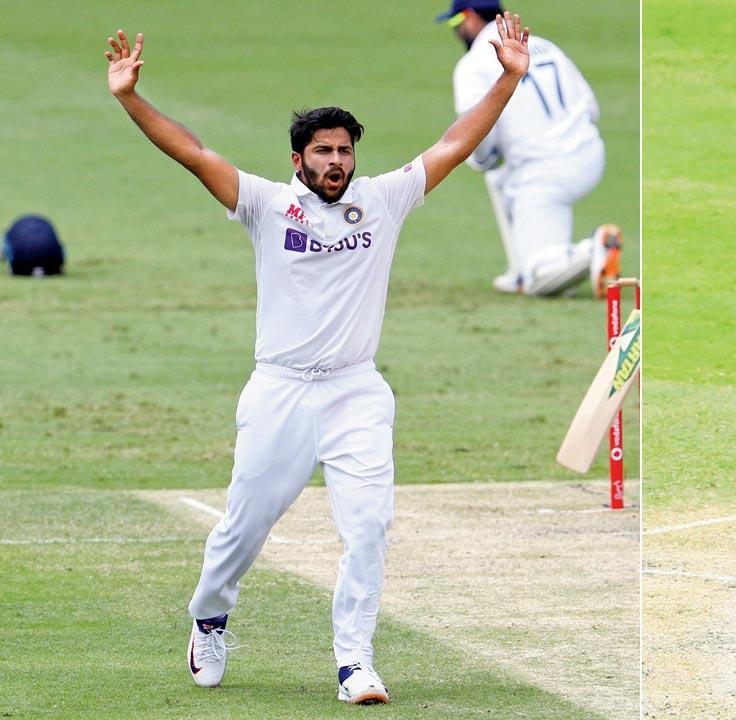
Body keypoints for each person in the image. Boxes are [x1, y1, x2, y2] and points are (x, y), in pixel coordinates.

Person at [103, 14, 532, 704]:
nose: (335, 162)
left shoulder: (384, 200)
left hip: (356, 392)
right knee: (244, 525)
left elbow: (455, 143)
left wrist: (508, 79)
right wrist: (129, 97)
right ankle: (209, 619)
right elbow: (193, 151)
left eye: (344, 150)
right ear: (297, 159)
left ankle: (354, 661)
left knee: (369, 526)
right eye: (322, 151)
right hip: (279, 393)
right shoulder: (267, 205)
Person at [440, 0, 621, 297]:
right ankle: (520, 272)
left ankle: (594, 249)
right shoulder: (544, 46)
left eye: (455, 23)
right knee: (502, 179)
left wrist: (484, 160)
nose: (456, 31)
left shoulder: (472, 65)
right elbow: (591, 107)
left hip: (543, 174)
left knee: (542, 280)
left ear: (470, 18)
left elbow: (479, 140)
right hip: (589, 153)